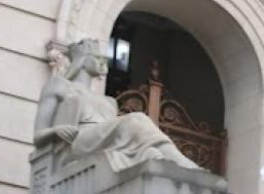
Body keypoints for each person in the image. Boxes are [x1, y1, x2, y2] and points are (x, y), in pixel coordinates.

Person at [34, 39, 199, 171]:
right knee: (136, 119)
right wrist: (56, 130)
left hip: (105, 141)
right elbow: (38, 136)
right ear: (83, 62)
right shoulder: (59, 85)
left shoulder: (108, 101)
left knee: (150, 153)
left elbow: (117, 135)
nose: (102, 63)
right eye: (97, 58)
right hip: (78, 141)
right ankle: (181, 161)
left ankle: (174, 165)